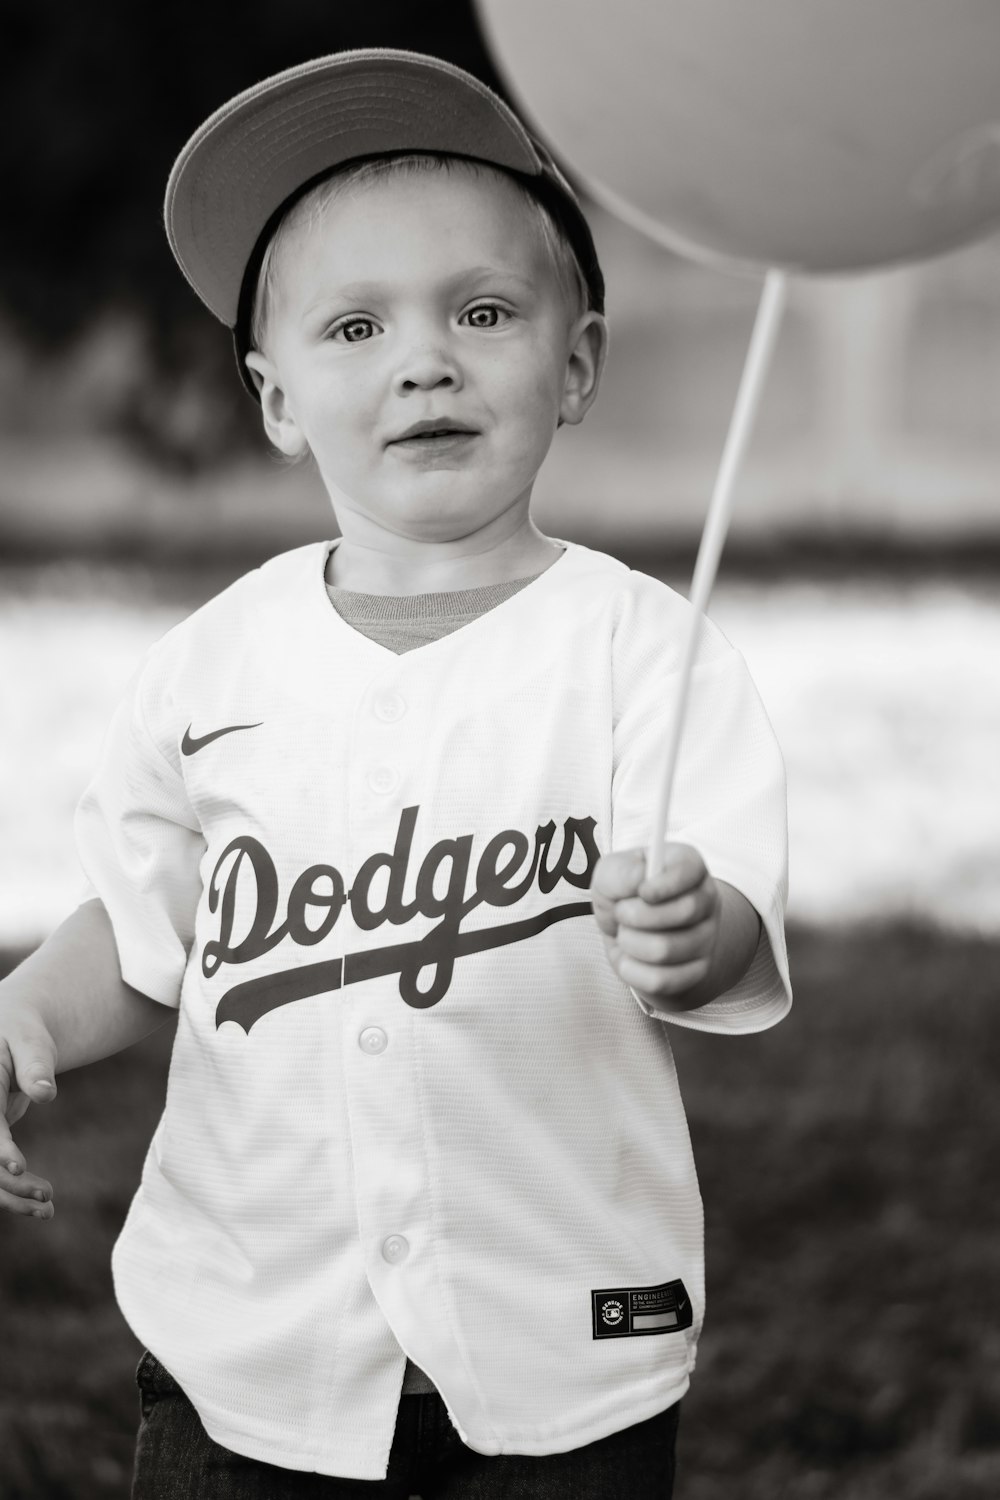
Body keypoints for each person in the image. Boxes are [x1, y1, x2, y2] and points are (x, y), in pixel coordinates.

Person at [0, 49, 791, 1499]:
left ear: (578, 363)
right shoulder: (210, 665)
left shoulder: (640, 652)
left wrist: (700, 928)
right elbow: (143, 932)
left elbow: (726, 922)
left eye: (482, 312)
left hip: (564, 1344)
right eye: (353, 327)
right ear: (276, 398)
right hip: (248, 1353)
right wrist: (25, 1020)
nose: (423, 359)